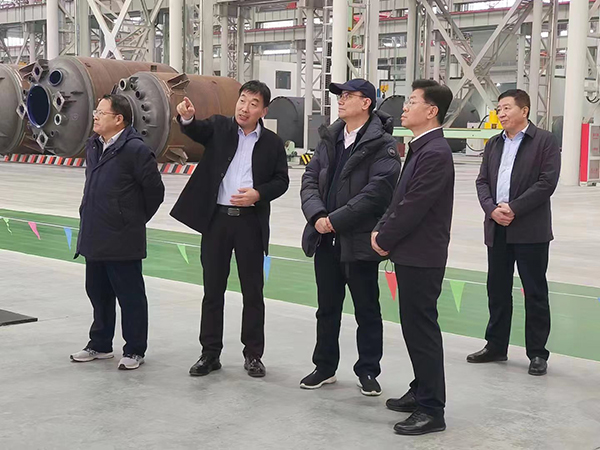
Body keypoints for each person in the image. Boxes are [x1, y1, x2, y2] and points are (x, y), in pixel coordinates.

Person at [171, 80, 289, 378]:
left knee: (253, 292)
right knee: (213, 290)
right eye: (242, 100)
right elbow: (196, 130)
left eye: (253, 103)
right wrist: (187, 117)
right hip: (217, 221)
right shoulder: (220, 127)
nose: (245, 108)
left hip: (250, 222)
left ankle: (253, 355)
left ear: (263, 111)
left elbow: (282, 181)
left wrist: (258, 194)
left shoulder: (273, 143)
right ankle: (210, 354)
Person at [299, 78, 401, 396]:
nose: (340, 101)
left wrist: (335, 221)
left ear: (366, 103)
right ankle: (324, 367)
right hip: (325, 240)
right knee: (326, 308)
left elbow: (377, 193)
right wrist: (317, 217)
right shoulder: (330, 139)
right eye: (340, 96)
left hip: (358, 241)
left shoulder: (382, 145)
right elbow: (309, 179)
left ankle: (368, 370)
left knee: (366, 310)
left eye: (347, 96)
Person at [372, 79, 454, 435]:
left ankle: (432, 408)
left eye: (413, 102)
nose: (404, 107)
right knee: (414, 327)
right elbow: (399, 199)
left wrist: (384, 238)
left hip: (422, 254)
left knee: (422, 330)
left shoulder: (434, 152)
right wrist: (382, 228)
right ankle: (421, 388)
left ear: (431, 111)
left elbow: (414, 206)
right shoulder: (421, 147)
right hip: (412, 252)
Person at [467, 89, 561, 377]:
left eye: (507, 108)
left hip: (530, 229)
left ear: (525, 110)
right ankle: (496, 345)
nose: (501, 113)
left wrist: (514, 208)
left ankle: (537, 353)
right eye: (499, 108)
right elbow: (482, 181)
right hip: (497, 226)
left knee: (534, 291)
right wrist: (491, 209)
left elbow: (547, 182)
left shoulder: (544, 141)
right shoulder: (495, 143)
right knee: (497, 289)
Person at [70, 94, 165, 370]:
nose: (95, 117)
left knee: (130, 296)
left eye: (101, 113)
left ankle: (134, 349)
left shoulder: (136, 150)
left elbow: (155, 192)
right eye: (96, 112)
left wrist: (131, 220)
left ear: (119, 119)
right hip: (94, 232)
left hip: (122, 237)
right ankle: (100, 344)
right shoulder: (94, 145)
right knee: (97, 292)